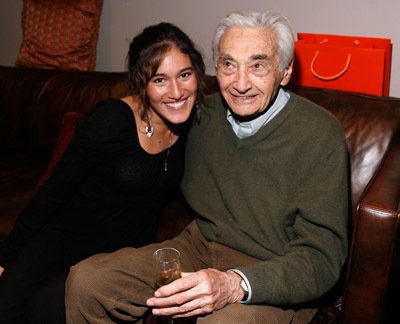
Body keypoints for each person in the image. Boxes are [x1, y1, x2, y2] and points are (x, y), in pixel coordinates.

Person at [66, 10, 349, 323]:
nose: (240, 84)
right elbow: (151, 121)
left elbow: (321, 260)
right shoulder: (202, 114)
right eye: (229, 64)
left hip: (273, 271)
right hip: (198, 249)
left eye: (258, 66)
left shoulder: (320, 133)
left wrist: (233, 284)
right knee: (87, 281)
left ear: (284, 71)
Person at [0, 22, 205, 324]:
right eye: (160, 79)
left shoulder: (197, 124)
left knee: (48, 309)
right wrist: (6, 256)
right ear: (141, 82)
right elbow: (53, 192)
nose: (176, 91)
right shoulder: (111, 121)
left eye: (185, 75)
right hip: (63, 239)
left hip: (116, 258)